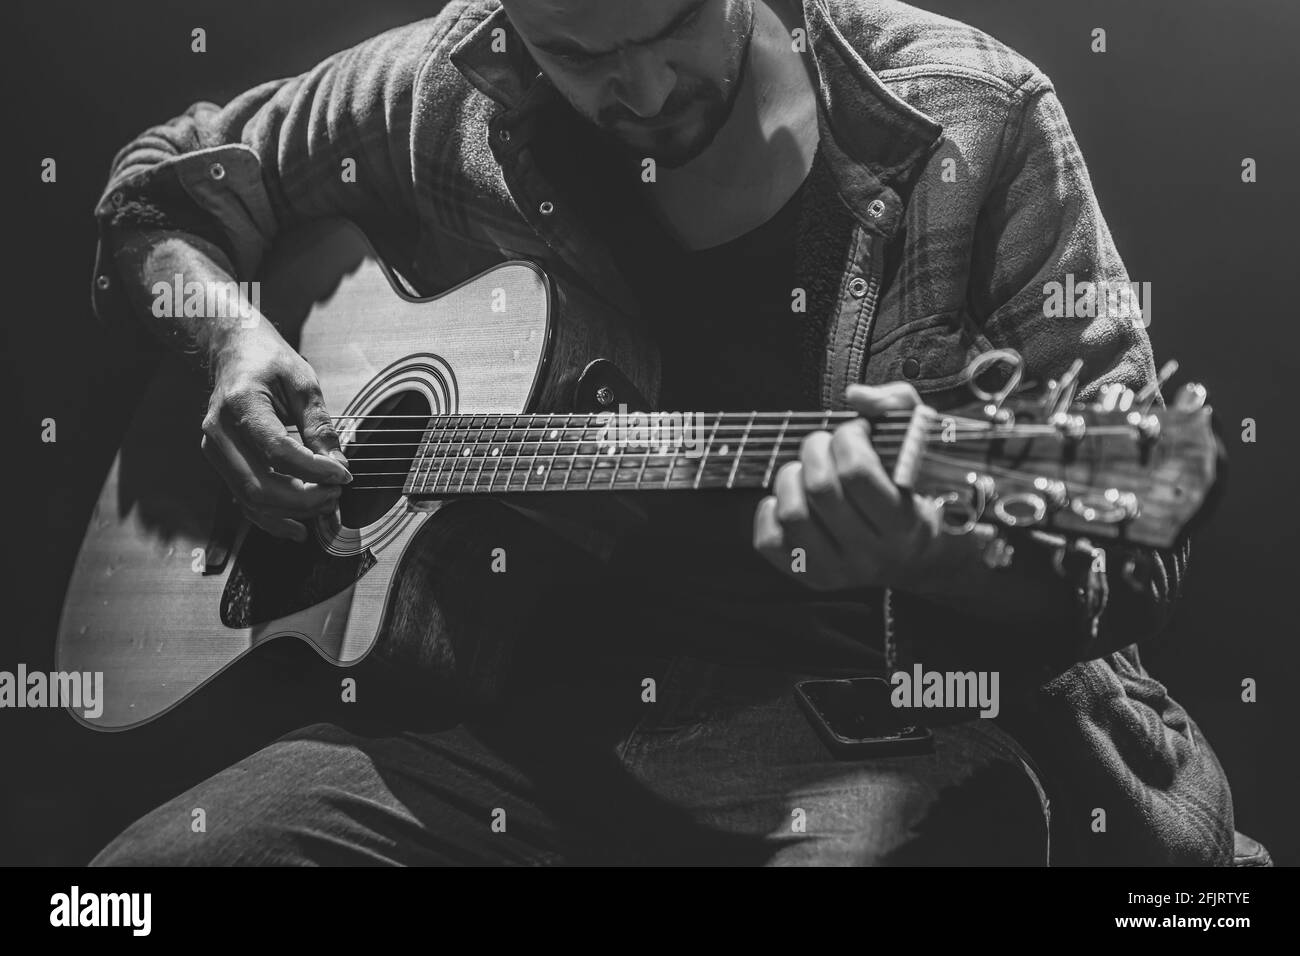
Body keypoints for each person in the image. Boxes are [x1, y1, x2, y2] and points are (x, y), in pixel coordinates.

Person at [88, 0, 1233, 865]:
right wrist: (231, 342)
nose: (639, 86)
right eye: (579, 55)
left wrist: (931, 548)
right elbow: (161, 192)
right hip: (514, 718)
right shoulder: (443, 89)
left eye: (676, 22)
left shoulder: (972, 118)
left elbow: (1134, 553)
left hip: (871, 731)